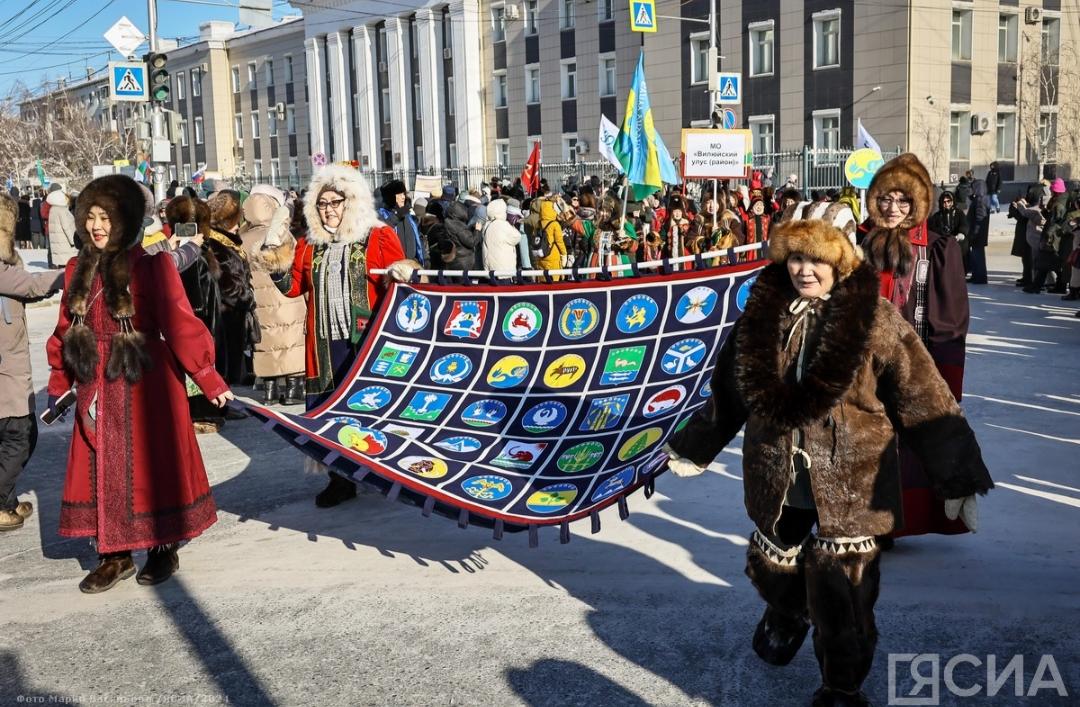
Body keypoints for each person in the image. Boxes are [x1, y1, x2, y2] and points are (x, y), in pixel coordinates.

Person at [664, 218, 992, 707]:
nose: (804, 270)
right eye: (796, 258)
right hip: (778, 471)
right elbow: (730, 389)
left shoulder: (875, 319)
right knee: (772, 567)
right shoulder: (762, 314)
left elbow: (923, 395)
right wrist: (697, 445)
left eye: (816, 259)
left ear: (839, 263)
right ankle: (788, 611)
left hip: (852, 475)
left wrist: (958, 476)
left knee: (844, 593)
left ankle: (841, 686)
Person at [45, 175, 233, 593]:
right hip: (96, 380)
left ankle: (163, 547)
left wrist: (207, 376)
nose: (97, 225)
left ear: (125, 220)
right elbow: (63, 330)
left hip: (145, 381)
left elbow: (179, 320)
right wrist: (60, 379)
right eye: (91, 217)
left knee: (152, 467)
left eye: (106, 217)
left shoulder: (150, 264)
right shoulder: (77, 268)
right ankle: (114, 556)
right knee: (101, 468)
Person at [262, 164, 410, 508]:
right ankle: (339, 477)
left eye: (335, 202)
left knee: (370, 405)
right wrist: (275, 255)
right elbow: (293, 288)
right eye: (322, 203)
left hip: (366, 340)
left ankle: (384, 471)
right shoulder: (309, 245)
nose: (328, 209)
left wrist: (400, 275)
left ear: (352, 201)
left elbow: (400, 286)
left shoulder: (378, 235)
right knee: (330, 410)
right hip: (324, 342)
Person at [858, 153, 973, 540]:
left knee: (906, 446)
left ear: (918, 204)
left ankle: (894, 522)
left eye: (903, 201)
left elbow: (951, 322)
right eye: (886, 199)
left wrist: (944, 381)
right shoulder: (860, 243)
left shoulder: (939, 249)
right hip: (863, 368)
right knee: (865, 443)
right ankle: (867, 522)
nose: (893, 209)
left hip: (914, 365)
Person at [0, 193, 65, 531]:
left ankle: (7, 501)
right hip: (5, 374)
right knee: (20, 436)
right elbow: (32, 285)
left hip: (10, 370)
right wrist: (72, 273)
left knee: (18, 435)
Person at [240, 185, 306, 405]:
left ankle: (269, 391)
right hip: (286, 296)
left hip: (258, 300)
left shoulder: (243, 236)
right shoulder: (280, 234)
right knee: (291, 340)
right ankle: (293, 390)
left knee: (265, 340)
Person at [206, 190, 259, 390]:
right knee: (224, 360)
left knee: (231, 359)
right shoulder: (218, 244)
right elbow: (225, 281)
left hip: (230, 314)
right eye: (235, 220)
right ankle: (223, 403)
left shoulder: (224, 241)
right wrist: (245, 298)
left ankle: (227, 399)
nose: (238, 225)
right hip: (224, 314)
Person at [378, 180, 426, 265]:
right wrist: (397, 216)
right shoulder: (382, 215)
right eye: (399, 194)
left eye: (404, 194)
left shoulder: (407, 215)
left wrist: (421, 259)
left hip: (412, 266)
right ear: (391, 197)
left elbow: (418, 237)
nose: (403, 197)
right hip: (394, 267)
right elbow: (383, 235)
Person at [1008, 184, 1042, 288]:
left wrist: (1016, 208)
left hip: (1029, 232)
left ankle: (1029, 278)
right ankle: (1026, 276)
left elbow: (1023, 216)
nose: (1028, 194)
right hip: (1024, 232)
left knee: (1029, 257)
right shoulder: (1030, 202)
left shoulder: (1035, 205)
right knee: (1025, 257)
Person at [481, 198, 522, 273]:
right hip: (504, 268)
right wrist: (512, 226)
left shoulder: (487, 225)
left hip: (489, 267)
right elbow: (517, 237)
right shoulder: (503, 225)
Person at [965, 179, 990, 284]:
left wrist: (974, 233)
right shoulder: (980, 199)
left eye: (974, 187)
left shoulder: (980, 200)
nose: (972, 189)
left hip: (978, 233)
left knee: (978, 256)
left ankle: (980, 277)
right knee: (976, 256)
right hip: (978, 233)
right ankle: (976, 275)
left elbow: (980, 218)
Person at [46, 188, 77, 268]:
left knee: (62, 269)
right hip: (66, 245)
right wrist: (73, 241)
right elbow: (67, 227)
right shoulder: (62, 210)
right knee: (68, 269)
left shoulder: (53, 209)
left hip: (59, 245)